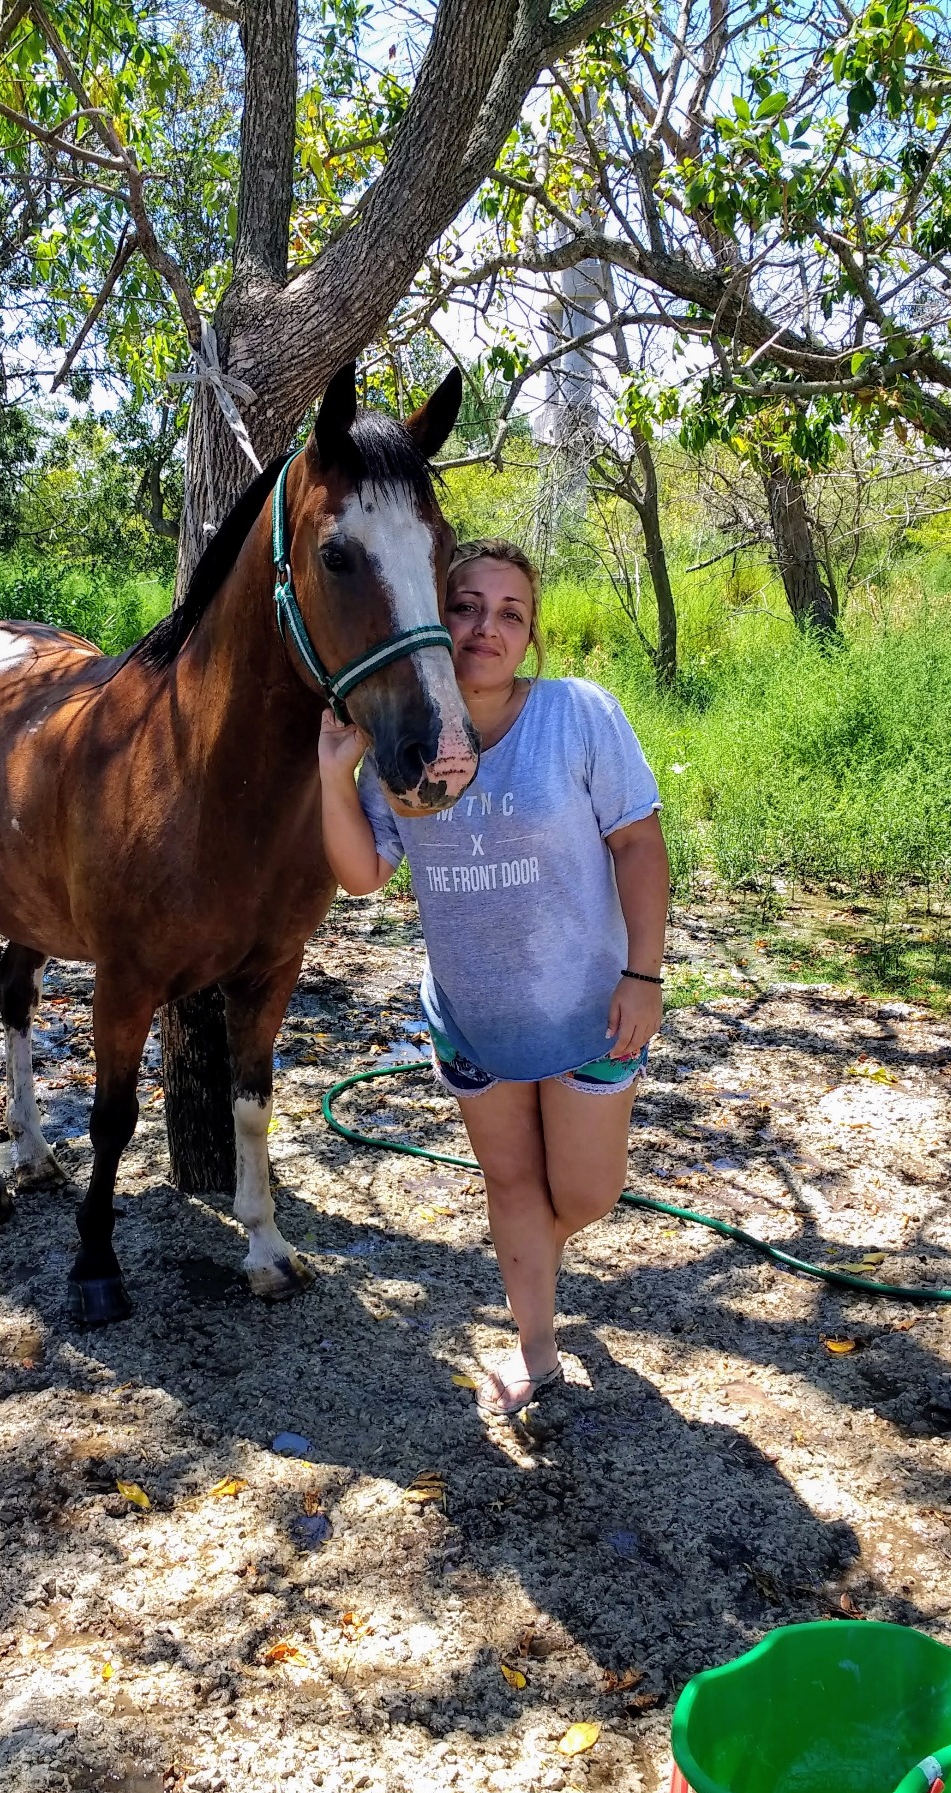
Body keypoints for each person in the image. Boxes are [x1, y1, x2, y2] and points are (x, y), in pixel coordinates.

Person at [318, 537, 670, 1415]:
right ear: (437, 616)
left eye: (510, 612)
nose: (487, 626)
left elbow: (639, 845)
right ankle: (537, 1351)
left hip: (593, 1011)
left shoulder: (579, 713)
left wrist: (645, 974)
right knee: (511, 1186)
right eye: (467, 605)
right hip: (473, 1017)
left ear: (531, 633)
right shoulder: (409, 733)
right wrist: (334, 776)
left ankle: (528, 1264)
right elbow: (364, 874)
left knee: (588, 1191)